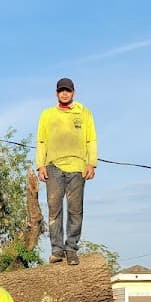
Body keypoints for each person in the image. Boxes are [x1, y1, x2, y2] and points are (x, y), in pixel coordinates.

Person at [35, 77, 97, 266]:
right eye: (61, 90)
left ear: (73, 93)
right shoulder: (47, 114)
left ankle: (71, 248)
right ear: (56, 93)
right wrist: (40, 165)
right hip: (53, 167)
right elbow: (41, 141)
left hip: (77, 167)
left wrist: (91, 164)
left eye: (68, 91)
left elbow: (91, 140)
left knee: (75, 210)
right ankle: (57, 249)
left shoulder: (84, 113)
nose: (64, 93)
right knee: (54, 209)